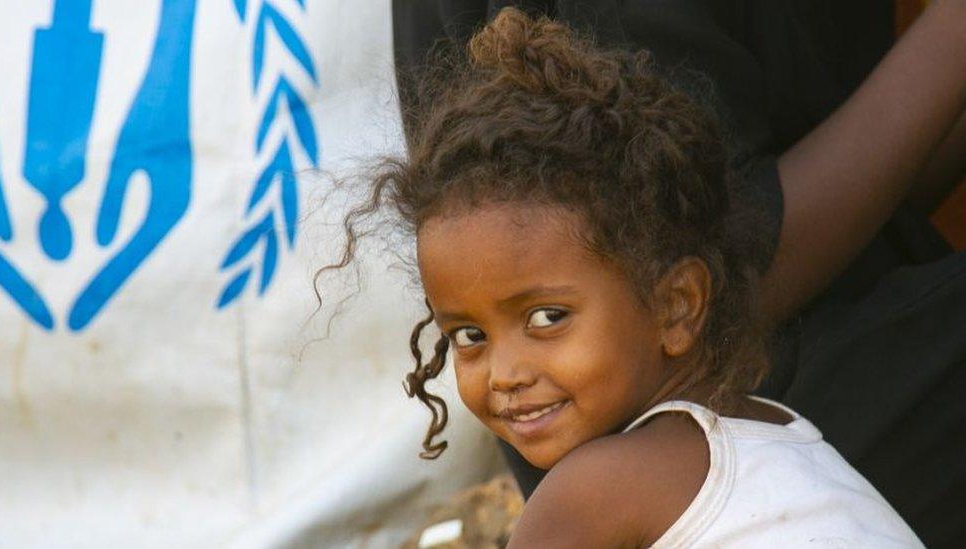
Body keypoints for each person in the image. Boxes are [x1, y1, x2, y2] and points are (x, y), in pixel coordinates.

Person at [316, 3, 966, 544]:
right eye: (467, 336)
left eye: (546, 318)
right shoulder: (789, 437)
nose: (505, 372)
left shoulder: (593, 494)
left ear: (679, 306)